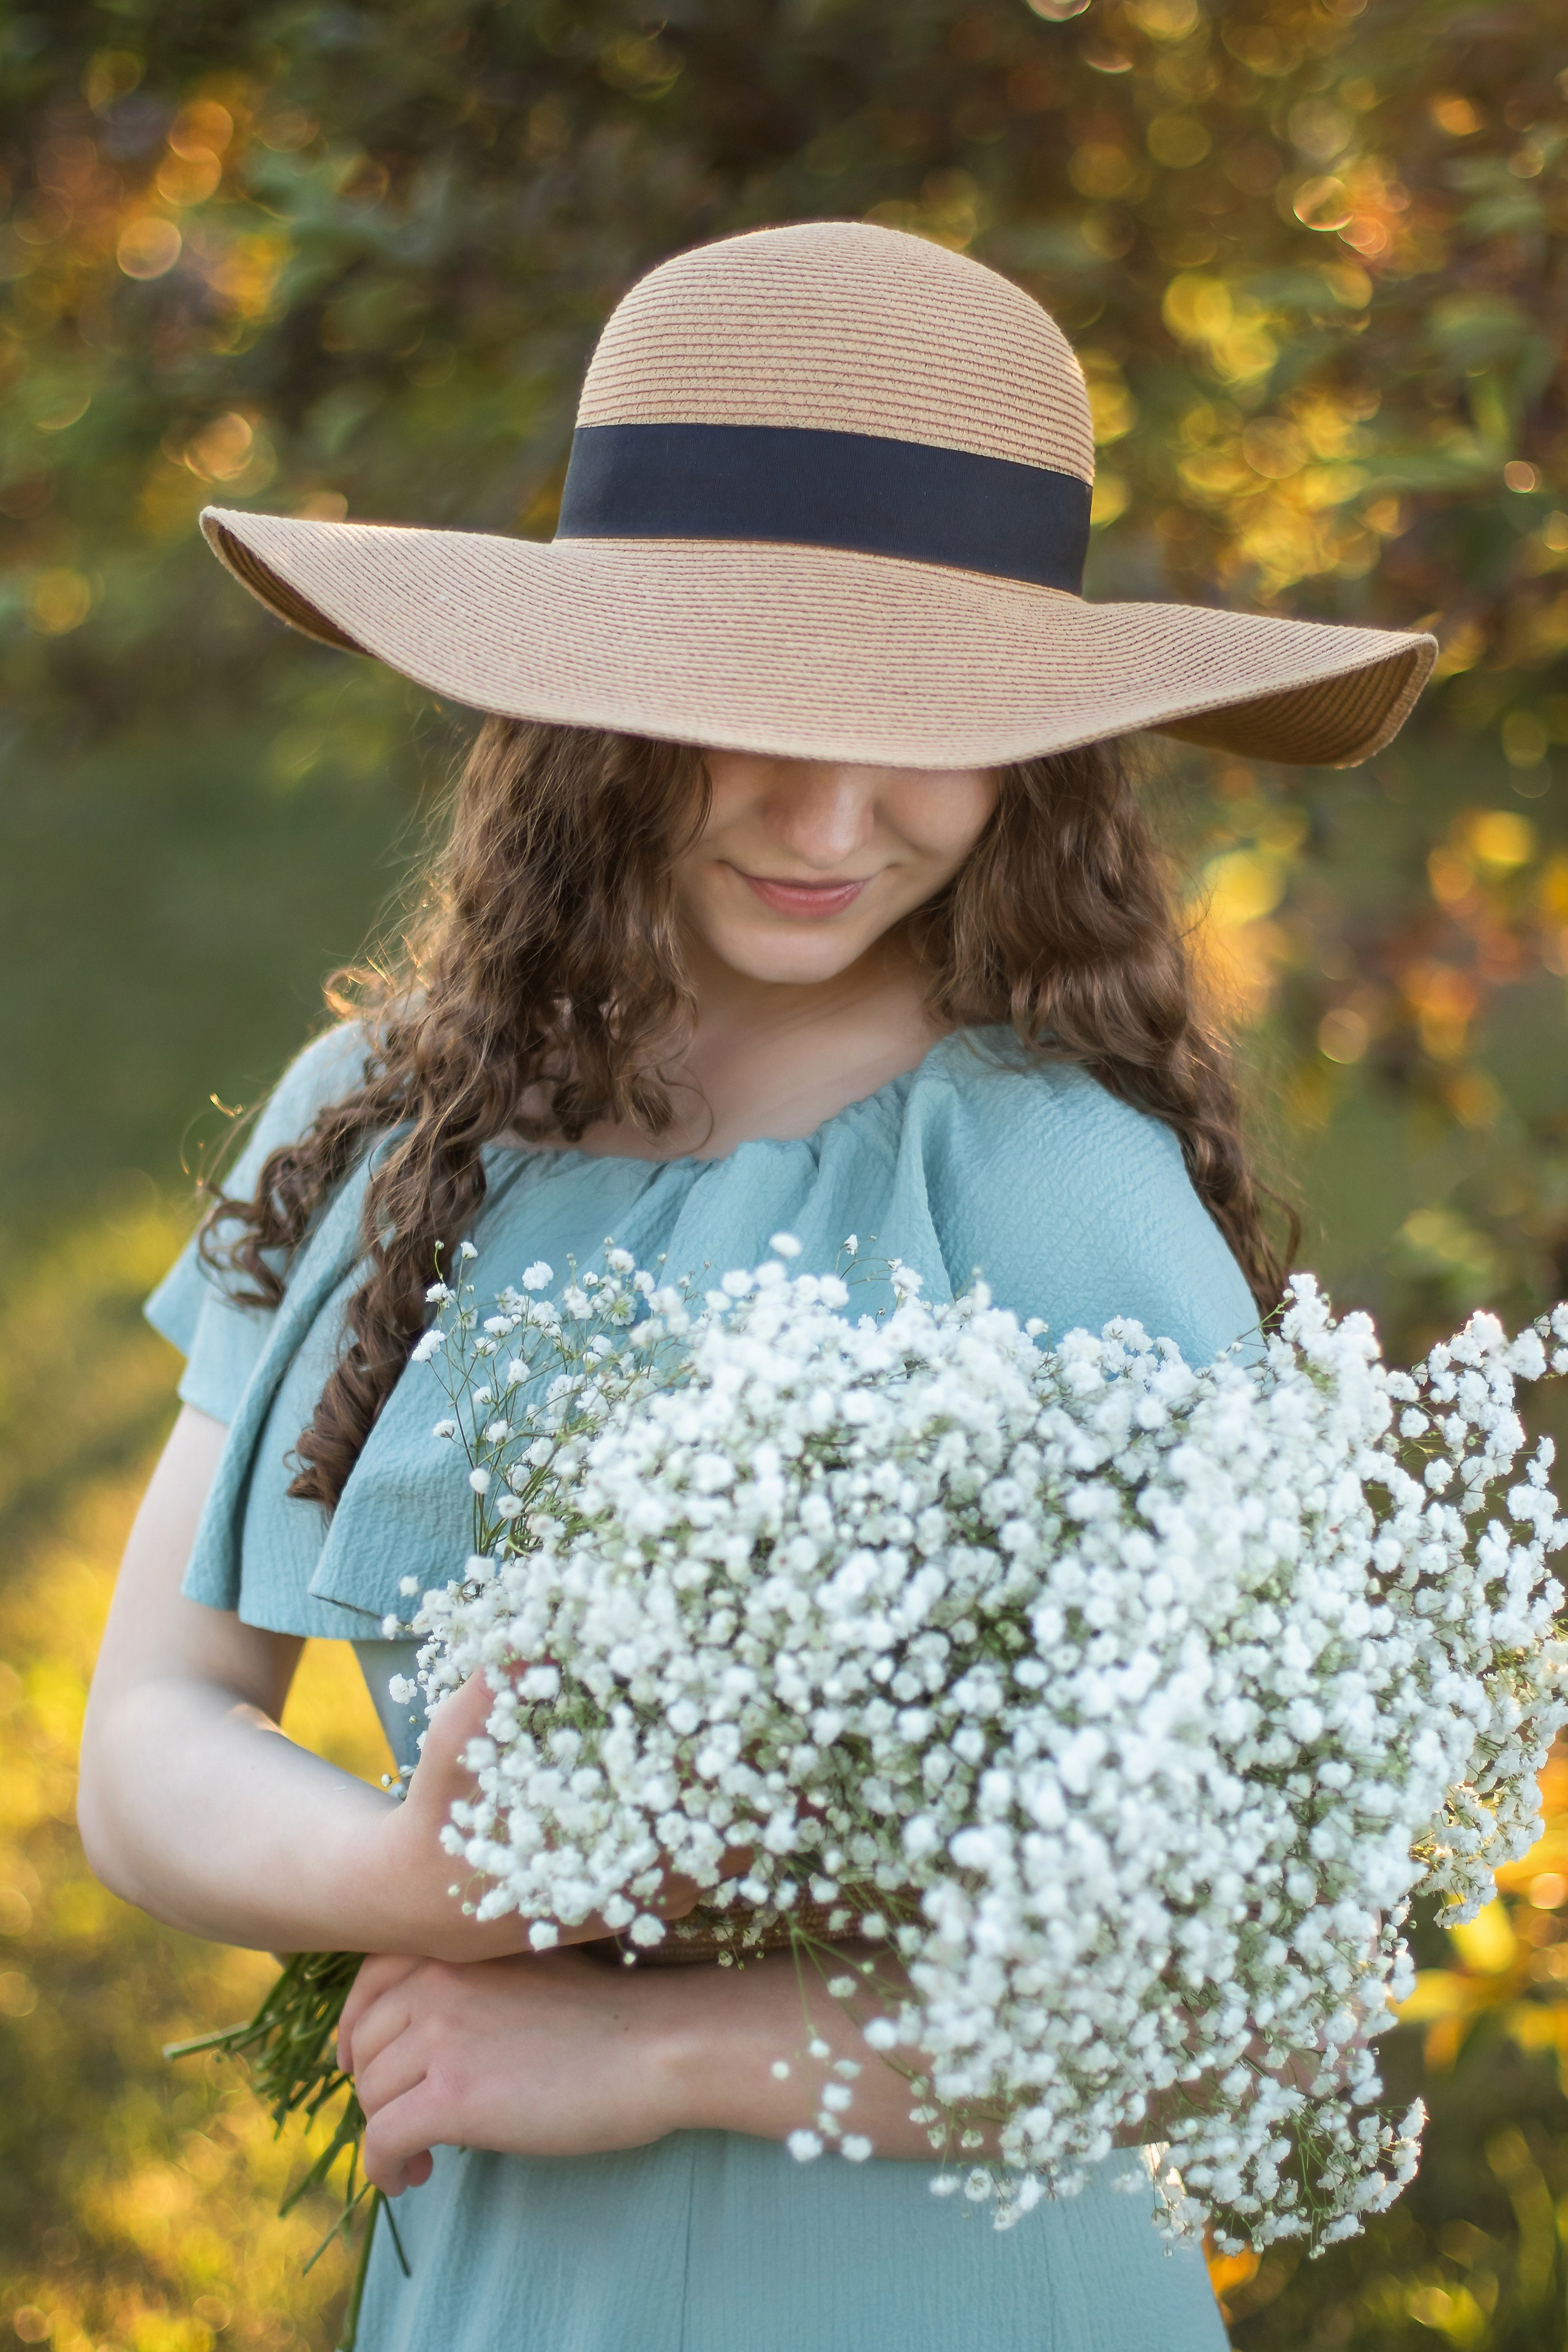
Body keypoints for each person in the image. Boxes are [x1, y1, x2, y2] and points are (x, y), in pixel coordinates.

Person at [78, 221, 1433, 2351]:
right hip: (504, 2283)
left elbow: (1271, 1990)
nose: (826, 815)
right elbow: (154, 1730)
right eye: (748, 713)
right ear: (592, 704)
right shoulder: (381, 1128)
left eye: (926, 728)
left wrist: (663, 2053)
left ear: (1041, 747)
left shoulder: (1044, 1182)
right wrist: (417, 1883)